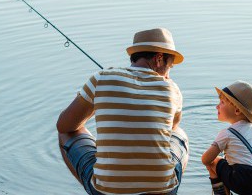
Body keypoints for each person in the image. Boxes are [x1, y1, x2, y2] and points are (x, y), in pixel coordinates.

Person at [56, 28, 189, 195]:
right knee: (180, 134)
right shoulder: (172, 89)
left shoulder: (102, 78)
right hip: (163, 191)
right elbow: (172, 128)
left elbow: (63, 126)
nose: (168, 74)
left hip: (106, 191)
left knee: (66, 133)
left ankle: (101, 185)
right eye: (169, 66)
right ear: (159, 59)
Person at [201, 81, 252, 195]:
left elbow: (205, 159)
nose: (217, 106)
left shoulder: (227, 133)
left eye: (221, 102)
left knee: (214, 162)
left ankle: (221, 193)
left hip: (245, 179)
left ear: (237, 110)